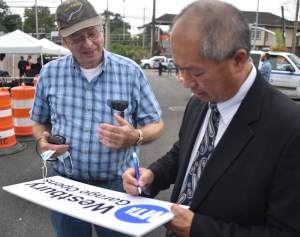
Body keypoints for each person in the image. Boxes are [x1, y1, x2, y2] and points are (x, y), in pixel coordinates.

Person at [123, 1, 300, 237]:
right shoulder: (200, 103)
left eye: (196, 72)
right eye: (179, 68)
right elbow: (184, 153)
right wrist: (153, 176)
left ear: (238, 59)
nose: (184, 82)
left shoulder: (289, 129)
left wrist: (197, 229)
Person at [30, 0, 164, 237]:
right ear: (64, 40)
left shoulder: (130, 72)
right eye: (77, 38)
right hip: (66, 185)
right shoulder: (51, 73)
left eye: (92, 33)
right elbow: (40, 121)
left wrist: (136, 136)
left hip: (117, 186)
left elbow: (156, 123)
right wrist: (42, 143)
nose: (88, 43)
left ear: (101, 28)